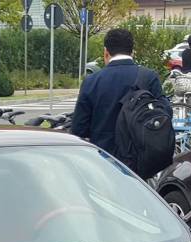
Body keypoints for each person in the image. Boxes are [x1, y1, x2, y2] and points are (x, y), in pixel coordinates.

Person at [70, 28, 170, 167]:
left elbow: (79, 128)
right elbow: (165, 112)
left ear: (106, 52)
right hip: (139, 161)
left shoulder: (92, 81)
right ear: (132, 51)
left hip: (103, 160)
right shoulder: (148, 77)